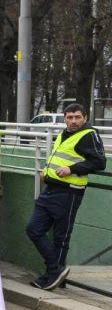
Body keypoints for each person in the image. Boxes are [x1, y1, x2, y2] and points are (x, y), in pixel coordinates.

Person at [26, 103, 106, 290]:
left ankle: (52, 274)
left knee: (61, 236)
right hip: (51, 189)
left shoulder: (89, 135)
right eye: (69, 117)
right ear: (64, 119)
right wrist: (46, 170)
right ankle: (55, 270)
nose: (73, 121)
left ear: (85, 118)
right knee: (33, 229)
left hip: (69, 192)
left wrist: (72, 169)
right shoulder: (63, 134)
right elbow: (60, 157)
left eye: (77, 117)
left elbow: (99, 161)